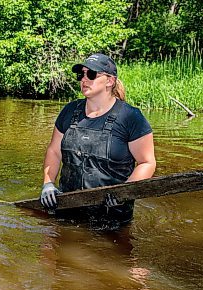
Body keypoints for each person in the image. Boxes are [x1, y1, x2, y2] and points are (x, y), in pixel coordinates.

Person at [40, 53, 156, 227]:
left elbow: (147, 162)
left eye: (91, 74)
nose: (84, 79)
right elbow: (54, 151)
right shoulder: (70, 111)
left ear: (110, 81)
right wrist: (48, 183)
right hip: (67, 209)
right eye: (81, 74)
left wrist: (122, 193)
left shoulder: (131, 117)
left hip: (112, 215)